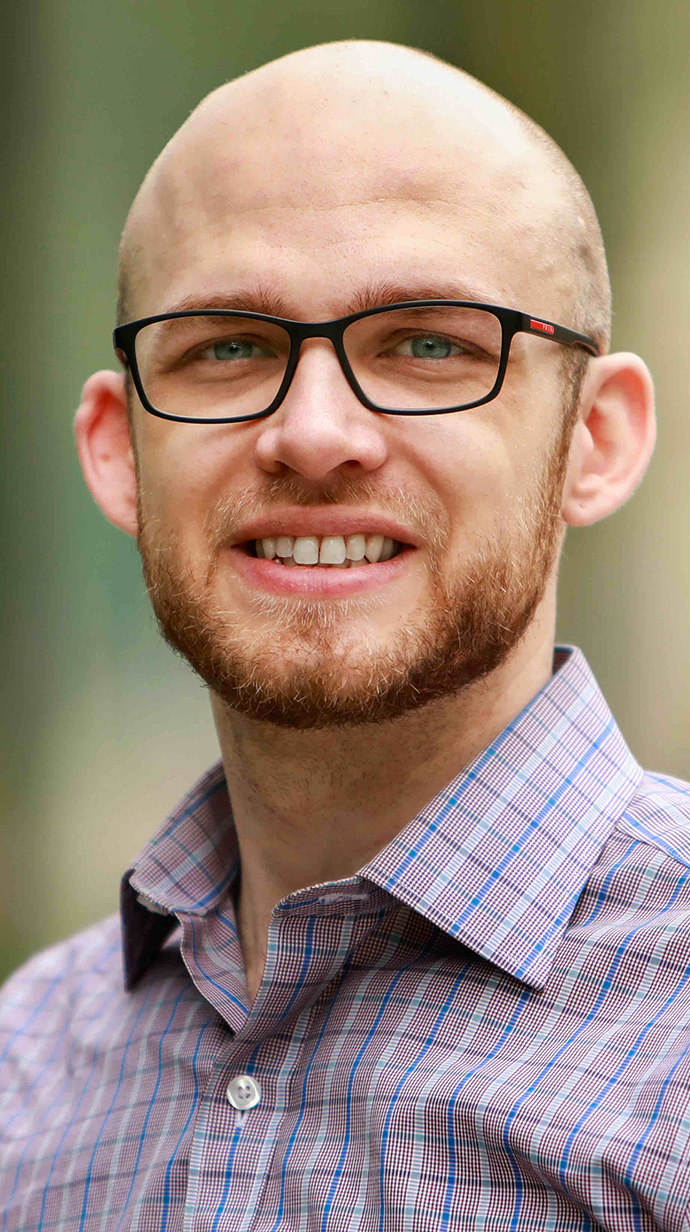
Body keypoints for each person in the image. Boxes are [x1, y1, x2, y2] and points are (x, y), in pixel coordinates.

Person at [2, 35, 687, 1232]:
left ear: (599, 437)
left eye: (429, 344)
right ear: (117, 450)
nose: (316, 433)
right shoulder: (27, 1075)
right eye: (227, 346)